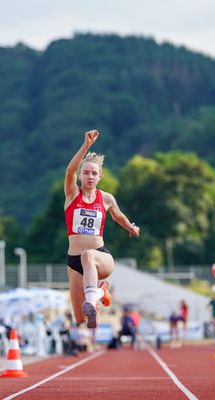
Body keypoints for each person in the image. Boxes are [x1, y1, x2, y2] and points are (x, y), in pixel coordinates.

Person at [64, 130, 140, 328]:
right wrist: (86, 145)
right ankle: (100, 292)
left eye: (94, 173)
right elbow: (68, 171)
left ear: (100, 177)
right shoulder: (72, 195)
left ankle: (92, 299)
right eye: (86, 172)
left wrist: (131, 228)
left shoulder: (106, 198)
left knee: (88, 255)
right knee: (80, 318)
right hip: (74, 262)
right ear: (80, 175)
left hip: (100, 257)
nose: (90, 176)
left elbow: (118, 216)